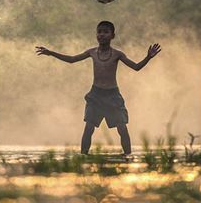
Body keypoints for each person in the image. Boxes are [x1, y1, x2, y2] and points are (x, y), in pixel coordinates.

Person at [35, 20, 161, 156]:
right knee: (89, 127)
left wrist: (148, 57)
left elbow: (136, 67)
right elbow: (72, 59)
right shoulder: (92, 52)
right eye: (99, 32)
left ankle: (128, 156)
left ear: (112, 35)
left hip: (113, 96)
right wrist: (51, 53)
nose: (102, 35)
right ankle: (83, 156)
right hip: (96, 95)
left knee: (122, 128)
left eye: (106, 32)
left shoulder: (118, 54)